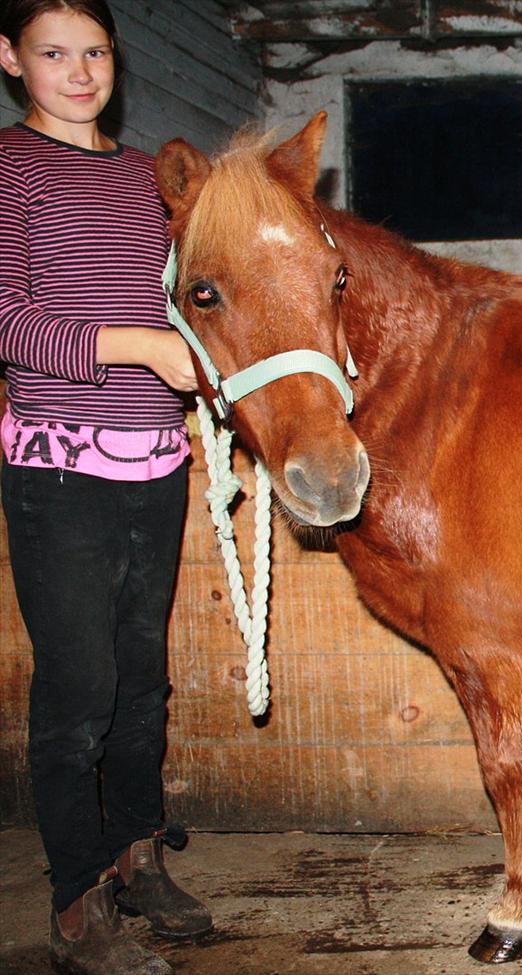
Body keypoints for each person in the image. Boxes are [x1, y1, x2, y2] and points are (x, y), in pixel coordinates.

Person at [0, 2, 210, 973]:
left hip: (154, 461)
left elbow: (188, 299)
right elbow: (7, 322)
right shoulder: (9, 170)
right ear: (10, 59)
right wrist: (140, 348)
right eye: (53, 53)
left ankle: (136, 856)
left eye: (94, 52)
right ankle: (78, 904)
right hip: (56, 466)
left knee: (141, 683)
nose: (79, 73)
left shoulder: (145, 181)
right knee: (79, 688)